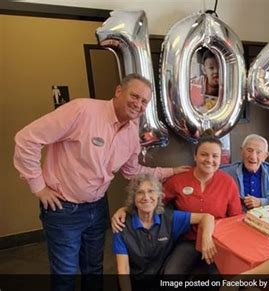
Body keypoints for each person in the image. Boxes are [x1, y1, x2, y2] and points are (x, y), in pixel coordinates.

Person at [13, 73, 189, 277]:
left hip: (97, 208)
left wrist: (172, 171)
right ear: (118, 91)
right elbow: (26, 139)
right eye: (135, 96)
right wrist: (39, 187)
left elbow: (133, 172)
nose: (138, 104)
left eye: (144, 101)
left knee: (94, 269)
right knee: (66, 273)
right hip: (63, 209)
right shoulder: (81, 110)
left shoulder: (132, 132)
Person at [112, 135, 242, 274]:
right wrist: (125, 209)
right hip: (187, 241)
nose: (210, 160)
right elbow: (151, 201)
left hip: (216, 241)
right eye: (204, 154)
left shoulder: (228, 183)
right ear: (195, 156)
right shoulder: (178, 180)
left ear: (220, 158)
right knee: (171, 274)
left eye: (215, 156)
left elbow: (236, 218)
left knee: (215, 278)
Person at [113, 174, 216, 291]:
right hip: (135, 284)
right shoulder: (122, 225)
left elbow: (207, 217)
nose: (146, 197)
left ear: (158, 196)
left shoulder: (169, 218)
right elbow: (123, 270)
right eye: (140, 192)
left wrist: (206, 239)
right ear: (133, 198)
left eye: (151, 191)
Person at [221, 134, 269, 210]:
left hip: (266, 219)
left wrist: (263, 202)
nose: (253, 156)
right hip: (237, 220)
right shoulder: (227, 173)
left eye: (258, 152)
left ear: (265, 156)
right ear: (241, 151)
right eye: (249, 150)